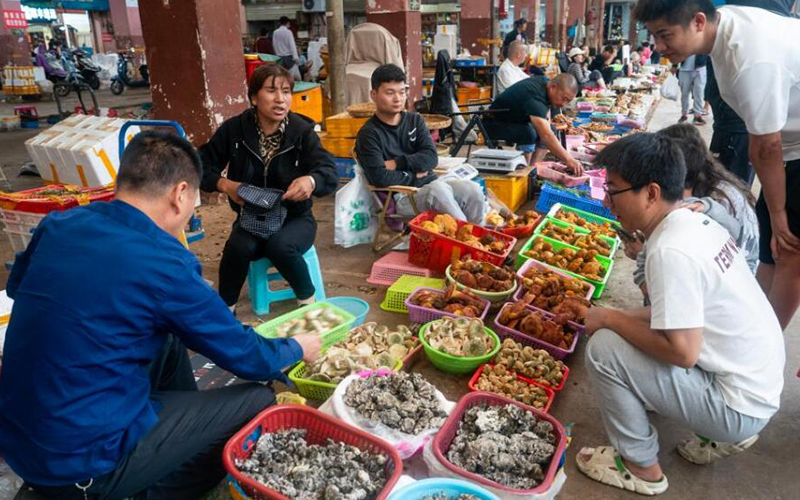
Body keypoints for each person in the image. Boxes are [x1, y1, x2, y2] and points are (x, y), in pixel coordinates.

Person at [0, 130, 322, 499]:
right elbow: (249, 358)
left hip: (24, 444)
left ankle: (166, 449)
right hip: (82, 466)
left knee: (165, 336)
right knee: (258, 399)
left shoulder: (60, 224)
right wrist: (298, 347)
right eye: (193, 204)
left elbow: (18, 288)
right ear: (179, 193)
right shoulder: (164, 263)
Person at [577, 132, 785, 496]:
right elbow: (672, 312)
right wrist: (609, 314)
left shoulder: (670, 251)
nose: (607, 201)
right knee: (622, 326)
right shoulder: (691, 222)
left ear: (652, 192)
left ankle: (642, 467)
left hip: (739, 406)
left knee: (605, 348)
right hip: (757, 385)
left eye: (614, 190)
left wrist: (608, 319)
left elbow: (683, 352)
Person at [633, 0, 800, 330]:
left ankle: (763, 353)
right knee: (773, 246)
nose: (659, 47)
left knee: (790, 249)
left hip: (790, 149)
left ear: (698, 21)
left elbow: (766, 147)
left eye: (665, 35)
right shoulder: (725, 28)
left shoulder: (752, 57)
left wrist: (780, 214)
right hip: (788, 148)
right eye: (654, 36)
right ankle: (753, 330)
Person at [199, 64, 338, 313]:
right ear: (254, 96)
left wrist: (311, 180)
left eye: (286, 92)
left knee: (280, 246)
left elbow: (328, 170)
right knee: (237, 248)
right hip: (253, 218)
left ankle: (310, 306)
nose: (280, 99)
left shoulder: (301, 131)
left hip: (296, 218)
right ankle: (224, 312)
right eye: (271, 91)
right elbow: (200, 164)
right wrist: (224, 184)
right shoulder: (235, 130)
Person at [628, 123, 760, 302]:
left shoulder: (711, 205)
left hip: (736, 287)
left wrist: (646, 255)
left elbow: (684, 277)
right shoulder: (702, 182)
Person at [355, 64, 485, 224]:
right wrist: (414, 175)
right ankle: (466, 239)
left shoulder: (415, 120)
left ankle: (479, 237)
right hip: (400, 196)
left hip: (432, 183)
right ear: (373, 95)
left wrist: (398, 163)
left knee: (472, 189)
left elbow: (430, 158)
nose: (397, 98)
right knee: (438, 191)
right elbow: (380, 177)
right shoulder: (369, 134)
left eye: (402, 92)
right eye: (390, 93)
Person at [705, 1, 796, 187]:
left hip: (739, 124)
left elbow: (767, 144)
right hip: (735, 119)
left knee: (732, 192)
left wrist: (776, 212)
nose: (659, 46)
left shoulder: (754, 49)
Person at [483, 74, 583, 172]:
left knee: (551, 129)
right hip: (493, 124)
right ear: (553, 87)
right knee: (529, 133)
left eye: (568, 101)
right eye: (564, 99)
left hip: (514, 121)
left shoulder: (546, 84)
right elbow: (546, 136)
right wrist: (568, 159)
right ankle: (524, 171)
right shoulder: (535, 95)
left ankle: (532, 169)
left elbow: (547, 129)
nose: (563, 104)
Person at [676, 54, 708, 125]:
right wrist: (674, 65)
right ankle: (684, 114)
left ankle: (697, 115)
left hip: (701, 68)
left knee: (699, 93)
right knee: (684, 93)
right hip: (684, 69)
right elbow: (676, 50)